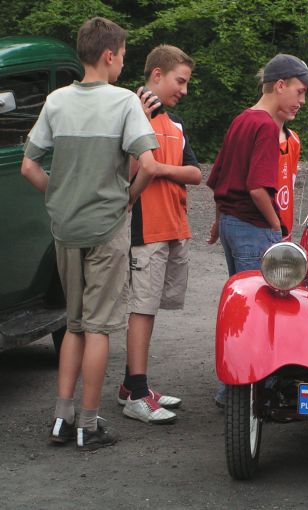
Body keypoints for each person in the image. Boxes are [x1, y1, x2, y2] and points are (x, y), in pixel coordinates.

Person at [21, 17, 162, 449]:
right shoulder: (123, 103)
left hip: (66, 228)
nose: (122, 63)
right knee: (99, 329)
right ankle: (88, 423)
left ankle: (61, 420)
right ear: (108, 55)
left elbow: (29, 165)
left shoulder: (56, 101)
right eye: (122, 56)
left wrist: (59, 196)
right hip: (106, 228)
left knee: (74, 324)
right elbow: (151, 165)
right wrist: (127, 200)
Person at [207, 54, 308, 407]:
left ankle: (235, 390)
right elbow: (258, 188)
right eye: (299, 92)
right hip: (254, 228)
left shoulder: (242, 119)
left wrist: (218, 221)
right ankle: (243, 393)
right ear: (280, 85)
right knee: (259, 312)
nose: (302, 101)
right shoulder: (264, 127)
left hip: (232, 223)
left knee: (240, 306)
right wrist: (277, 229)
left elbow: (218, 177)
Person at [116, 45, 202, 424]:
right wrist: (141, 122)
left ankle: (131, 385)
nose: (183, 89)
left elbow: (196, 173)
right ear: (156, 75)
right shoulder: (130, 113)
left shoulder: (176, 124)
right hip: (145, 229)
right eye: (179, 81)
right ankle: (136, 393)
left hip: (173, 226)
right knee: (142, 309)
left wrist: (162, 169)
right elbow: (128, 170)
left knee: (151, 310)